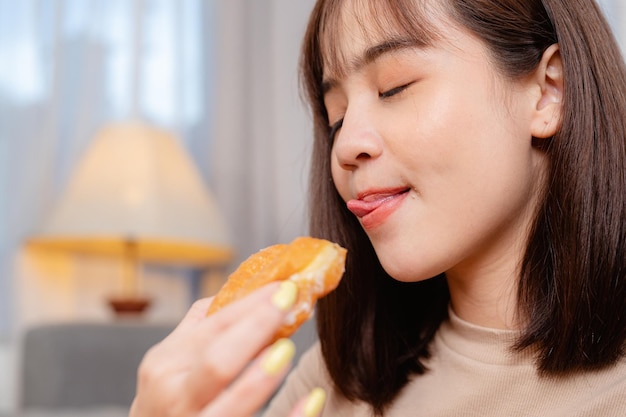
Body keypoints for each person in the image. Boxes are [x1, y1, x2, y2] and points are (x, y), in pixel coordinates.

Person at [129, 0, 626, 416]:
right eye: (336, 117)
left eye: (395, 87)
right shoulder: (333, 384)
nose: (346, 146)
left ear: (548, 92)